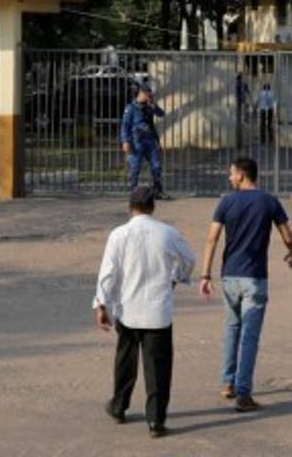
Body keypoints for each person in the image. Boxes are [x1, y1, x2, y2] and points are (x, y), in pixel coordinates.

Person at [93, 185, 196, 438]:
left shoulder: (119, 234)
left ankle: (119, 406)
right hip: (158, 312)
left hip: (128, 310)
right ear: (153, 206)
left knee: (125, 362)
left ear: (130, 207)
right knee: (158, 367)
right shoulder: (167, 233)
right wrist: (176, 278)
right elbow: (189, 259)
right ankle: (156, 421)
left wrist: (101, 304)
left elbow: (108, 273)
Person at [198, 157, 292, 412]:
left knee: (232, 329)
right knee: (249, 337)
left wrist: (206, 275)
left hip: (229, 277)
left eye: (231, 173)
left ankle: (227, 383)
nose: (229, 177)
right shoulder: (269, 201)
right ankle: (244, 393)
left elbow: (211, 239)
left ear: (241, 175)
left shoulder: (226, 202)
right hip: (255, 278)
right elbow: (287, 235)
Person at [120, 83, 166, 197]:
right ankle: (133, 192)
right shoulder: (130, 108)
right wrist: (125, 141)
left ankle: (158, 191)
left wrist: (153, 105)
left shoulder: (149, 106)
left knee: (156, 166)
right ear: (141, 93)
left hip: (150, 140)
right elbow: (125, 125)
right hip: (136, 142)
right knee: (135, 168)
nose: (149, 96)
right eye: (147, 94)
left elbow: (161, 114)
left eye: (150, 94)